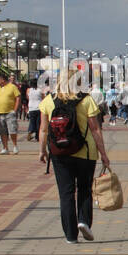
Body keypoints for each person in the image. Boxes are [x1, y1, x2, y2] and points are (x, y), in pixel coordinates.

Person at [38, 80, 111, 244]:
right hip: (85, 152)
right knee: (84, 189)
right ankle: (83, 221)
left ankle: (70, 235)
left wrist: (42, 151)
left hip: (59, 152)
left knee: (66, 193)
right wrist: (104, 154)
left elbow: (43, 129)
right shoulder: (86, 100)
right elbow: (95, 129)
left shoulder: (48, 101)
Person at [0, 72, 22, 154]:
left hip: (10, 113)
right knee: (3, 131)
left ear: (2, 80)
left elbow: (18, 98)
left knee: (12, 130)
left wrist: (15, 110)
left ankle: (15, 146)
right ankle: (5, 148)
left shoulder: (12, 87)